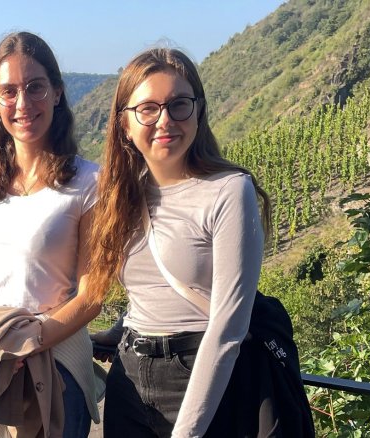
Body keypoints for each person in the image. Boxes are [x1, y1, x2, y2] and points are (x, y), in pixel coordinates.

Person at [86, 47, 272, 437]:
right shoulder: (122, 196)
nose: (165, 120)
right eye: (148, 108)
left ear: (198, 111)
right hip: (129, 377)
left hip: (198, 378)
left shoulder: (228, 191)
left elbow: (227, 329)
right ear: (125, 124)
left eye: (178, 104)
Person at [0, 31, 103, 438]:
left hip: (57, 361)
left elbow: (93, 292)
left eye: (35, 87)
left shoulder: (89, 181)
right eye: (9, 91)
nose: (23, 104)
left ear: (57, 92)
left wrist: (31, 339)